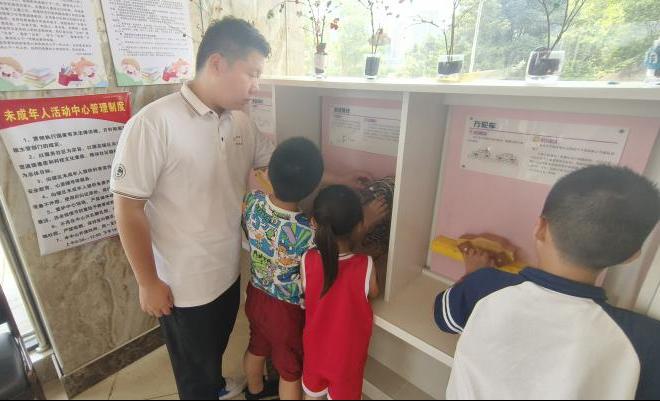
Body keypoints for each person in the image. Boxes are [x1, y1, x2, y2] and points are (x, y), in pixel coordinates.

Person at [434, 165, 660, 400]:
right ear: (632, 256)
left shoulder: (484, 286)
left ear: (540, 228)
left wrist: (472, 274)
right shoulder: (646, 341)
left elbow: (444, 319)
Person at [243, 139, 387, 400]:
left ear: (269, 173)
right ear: (313, 187)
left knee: (257, 346)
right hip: (285, 311)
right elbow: (337, 250)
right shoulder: (306, 233)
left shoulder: (253, 201)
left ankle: (254, 390)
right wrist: (364, 223)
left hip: (255, 295)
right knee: (289, 370)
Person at [302, 185, 381, 400]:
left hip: (314, 352)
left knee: (311, 395)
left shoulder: (308, 260)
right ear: (359, 225)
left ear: (314, 222)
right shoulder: (365, 264)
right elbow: (374, 292)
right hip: (346, 360)